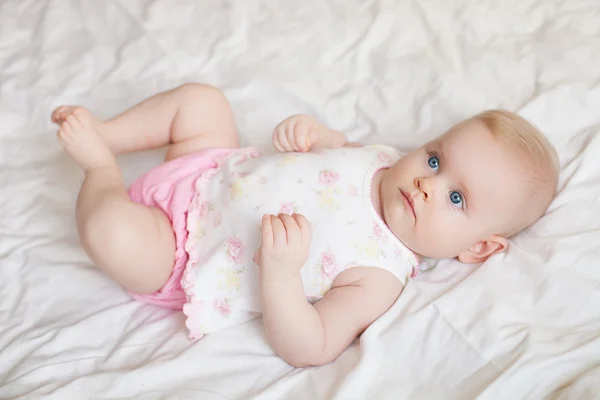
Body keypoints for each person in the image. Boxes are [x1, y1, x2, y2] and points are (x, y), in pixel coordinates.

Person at [50, 83, 559, 367]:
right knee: (203, 102)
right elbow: (336, 148)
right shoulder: (386, 160)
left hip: (183, 250)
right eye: (434, 159)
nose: (428, 182)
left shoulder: (379, 273)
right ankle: (110, 133)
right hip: (211, 166)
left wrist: (281, 274)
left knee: (111, 233)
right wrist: (314, 134)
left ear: (477, 248)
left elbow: (310, 345)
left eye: (455, 197)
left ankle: (101, 169)